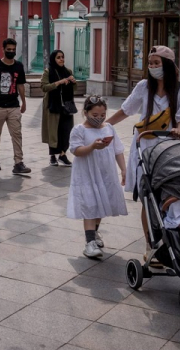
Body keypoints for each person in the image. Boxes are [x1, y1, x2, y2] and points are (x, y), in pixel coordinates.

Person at [106, 45, 180, 262]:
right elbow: (126, 110)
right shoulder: (144, 87)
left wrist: (179, 132)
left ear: (168, 65)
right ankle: (151, 244)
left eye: (157, 63)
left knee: (171, 197)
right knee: (148, 199)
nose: (153, 67)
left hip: (170, 150)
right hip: (145, 151)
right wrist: (103, 125)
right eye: (150, 63)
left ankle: (176, 241)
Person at [67, 96, 128, 258]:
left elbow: (118, 150)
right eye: (95, 115)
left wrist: (123, 169)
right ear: (85, 112)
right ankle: (89, 243)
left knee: (102, 203)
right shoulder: (79, 130)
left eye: (102, 115)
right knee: (90, 205)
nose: (99, 118)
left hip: (106, 173)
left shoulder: (109, 128)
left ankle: (94, 233)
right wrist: (93, 146)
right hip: (86, 174)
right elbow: (76, 151)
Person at [0, 38, 30, 174]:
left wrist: (24, 102)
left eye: (13, 50)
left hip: (13, 105)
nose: (11, 52)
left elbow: (20, 85)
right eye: (8, 49)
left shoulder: (19, 66)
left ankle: (18, 163)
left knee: (17, 134)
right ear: (3, 50)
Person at [41, 49, 77, 167]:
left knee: (66, 130)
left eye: (62, 57)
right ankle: (52, 156)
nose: (61, 59)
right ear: (53, 59)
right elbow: (44, 87)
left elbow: (74, 89)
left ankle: (62, 154)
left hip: (67, 106)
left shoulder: (68, 71)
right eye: (58, 57)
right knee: (53, 131)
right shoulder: (48, 72)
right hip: (53, 105)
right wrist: (59, 82)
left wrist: (73, 81)